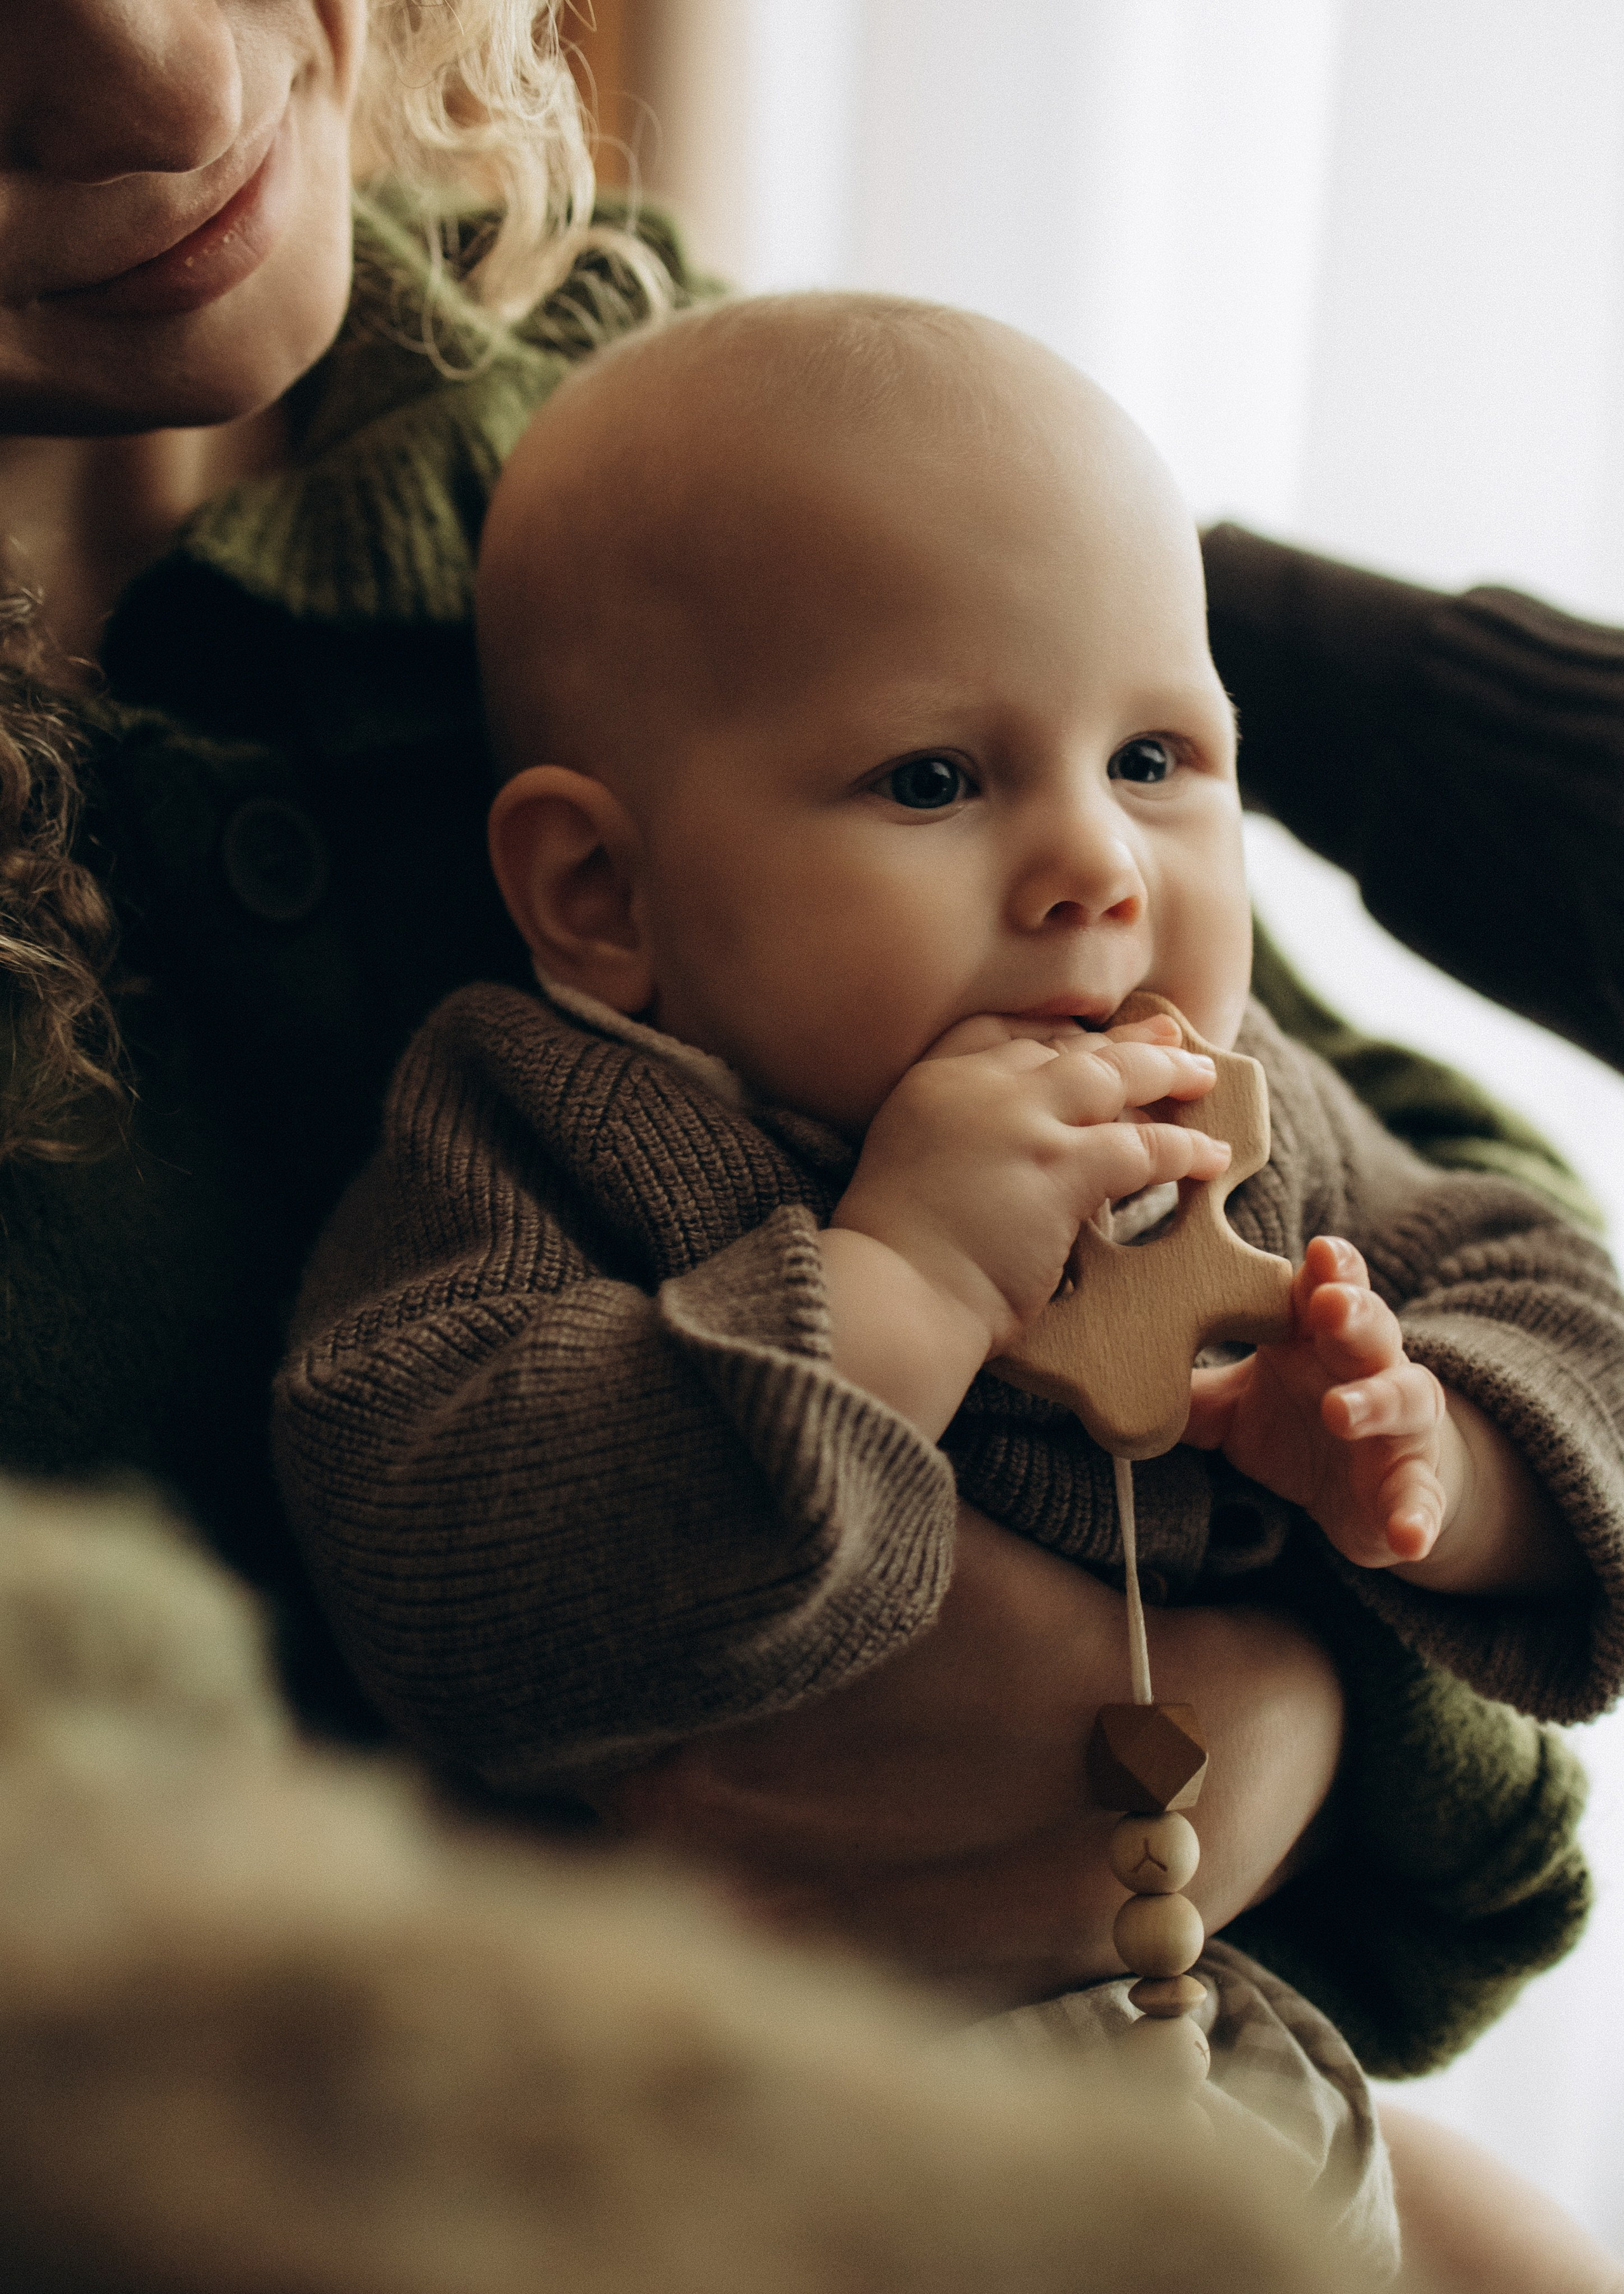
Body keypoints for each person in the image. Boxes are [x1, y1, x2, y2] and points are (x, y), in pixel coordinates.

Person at [274, 289, 1624, 2210]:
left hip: (1210, 2109)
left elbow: (1550, 1294)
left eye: (1158, 757)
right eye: (933, 779)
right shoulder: (549, 1129)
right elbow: (441, 1550)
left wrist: (1444, 1460)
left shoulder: (1234, 1104)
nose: (1102, 866)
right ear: (603, 895)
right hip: (702, 2154)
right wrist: (892, 1292)